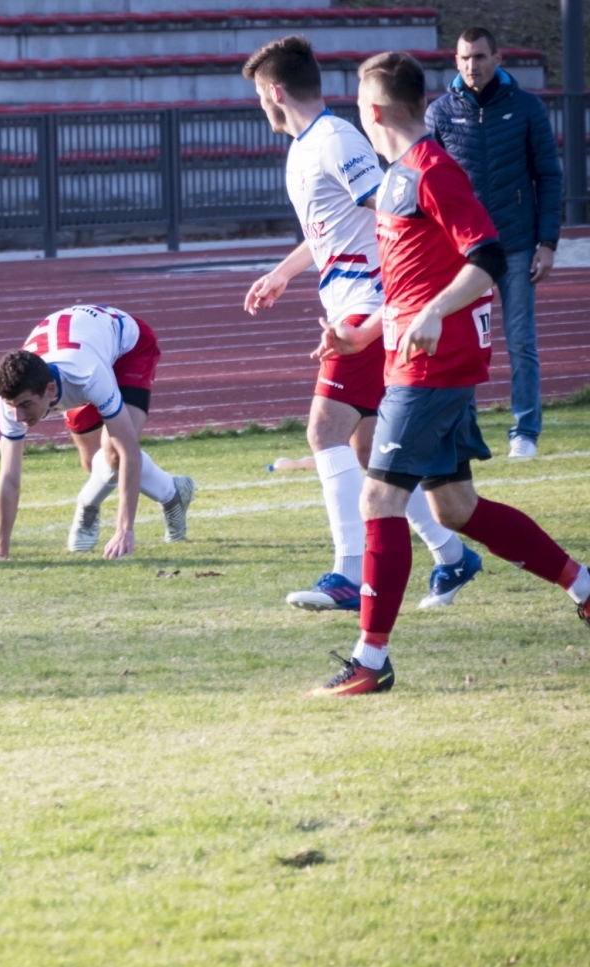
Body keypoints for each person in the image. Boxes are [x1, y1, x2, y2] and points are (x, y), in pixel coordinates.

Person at [310, 51, 589, 695]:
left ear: (373, 111)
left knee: (379, 499)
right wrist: (364, 333)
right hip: (416, 357)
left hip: (432, 366)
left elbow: (487, 256)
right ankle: (584, 585)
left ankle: (370, 661)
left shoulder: (432, 170)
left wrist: (435, 312)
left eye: (359, 102)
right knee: (456, 507)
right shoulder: (399, 176)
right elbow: (413, 280)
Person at [242, 35, 481, 614]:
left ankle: (350, 572)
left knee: (324, 429)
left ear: (275, 91)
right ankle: (451, 555)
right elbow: (331, 228)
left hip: (369, 305)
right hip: (353, 304)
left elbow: (393, 213)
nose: (260, 104)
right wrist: (281, 273)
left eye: (259, 94)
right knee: (370, 448)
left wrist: (394, 303)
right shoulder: (305, 147)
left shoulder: (335, 140)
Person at [426, 27, 562, 461]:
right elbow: (426, 181)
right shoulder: (439, 113)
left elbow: (548, 176)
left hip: (516, 243)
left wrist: (548, 242)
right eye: (465, 58)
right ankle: (463, 432)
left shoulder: (526, 107)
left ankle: (525, 432)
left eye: (480, 57)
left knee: (521, 342)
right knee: (460, 342)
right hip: (464, 252)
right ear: (456, 61)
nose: (473, 65)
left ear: (497, 58)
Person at [0, 304, 195, 560]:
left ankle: (158, 497)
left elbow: (128, 450)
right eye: (12, 406)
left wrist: (124, 530)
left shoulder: (88, 376)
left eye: (26, 405)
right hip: (83, 348)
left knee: (114, 454)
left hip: (129, 349)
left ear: (50, 391)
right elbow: (9, 477)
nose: (18, 417)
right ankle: (174, 489)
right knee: (95, 463)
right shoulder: (12, 399)